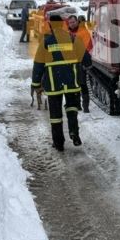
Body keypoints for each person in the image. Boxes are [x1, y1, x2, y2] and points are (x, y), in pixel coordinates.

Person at [31, 12, 92, 150]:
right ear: (63, 24)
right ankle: (74, 133)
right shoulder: (72, 39)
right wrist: (83, 65)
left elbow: (38, 65)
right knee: (72, 109)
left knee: (55, 115)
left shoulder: (46, 42)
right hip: (72, 83)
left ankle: (58, 143)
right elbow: (87, 61)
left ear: (51, 26)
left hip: (53, 85)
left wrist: (35, 83)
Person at [66, 13, 93, 113]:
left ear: (77, 22)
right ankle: (77, 105)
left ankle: (85, 106)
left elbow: (86, 48)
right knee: (73, 84)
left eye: (73, 22)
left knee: (82, 84)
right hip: (70, 62)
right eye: (70, 23)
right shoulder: (67, 32)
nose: (72, 24)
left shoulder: (83, 32)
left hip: (81, 62)